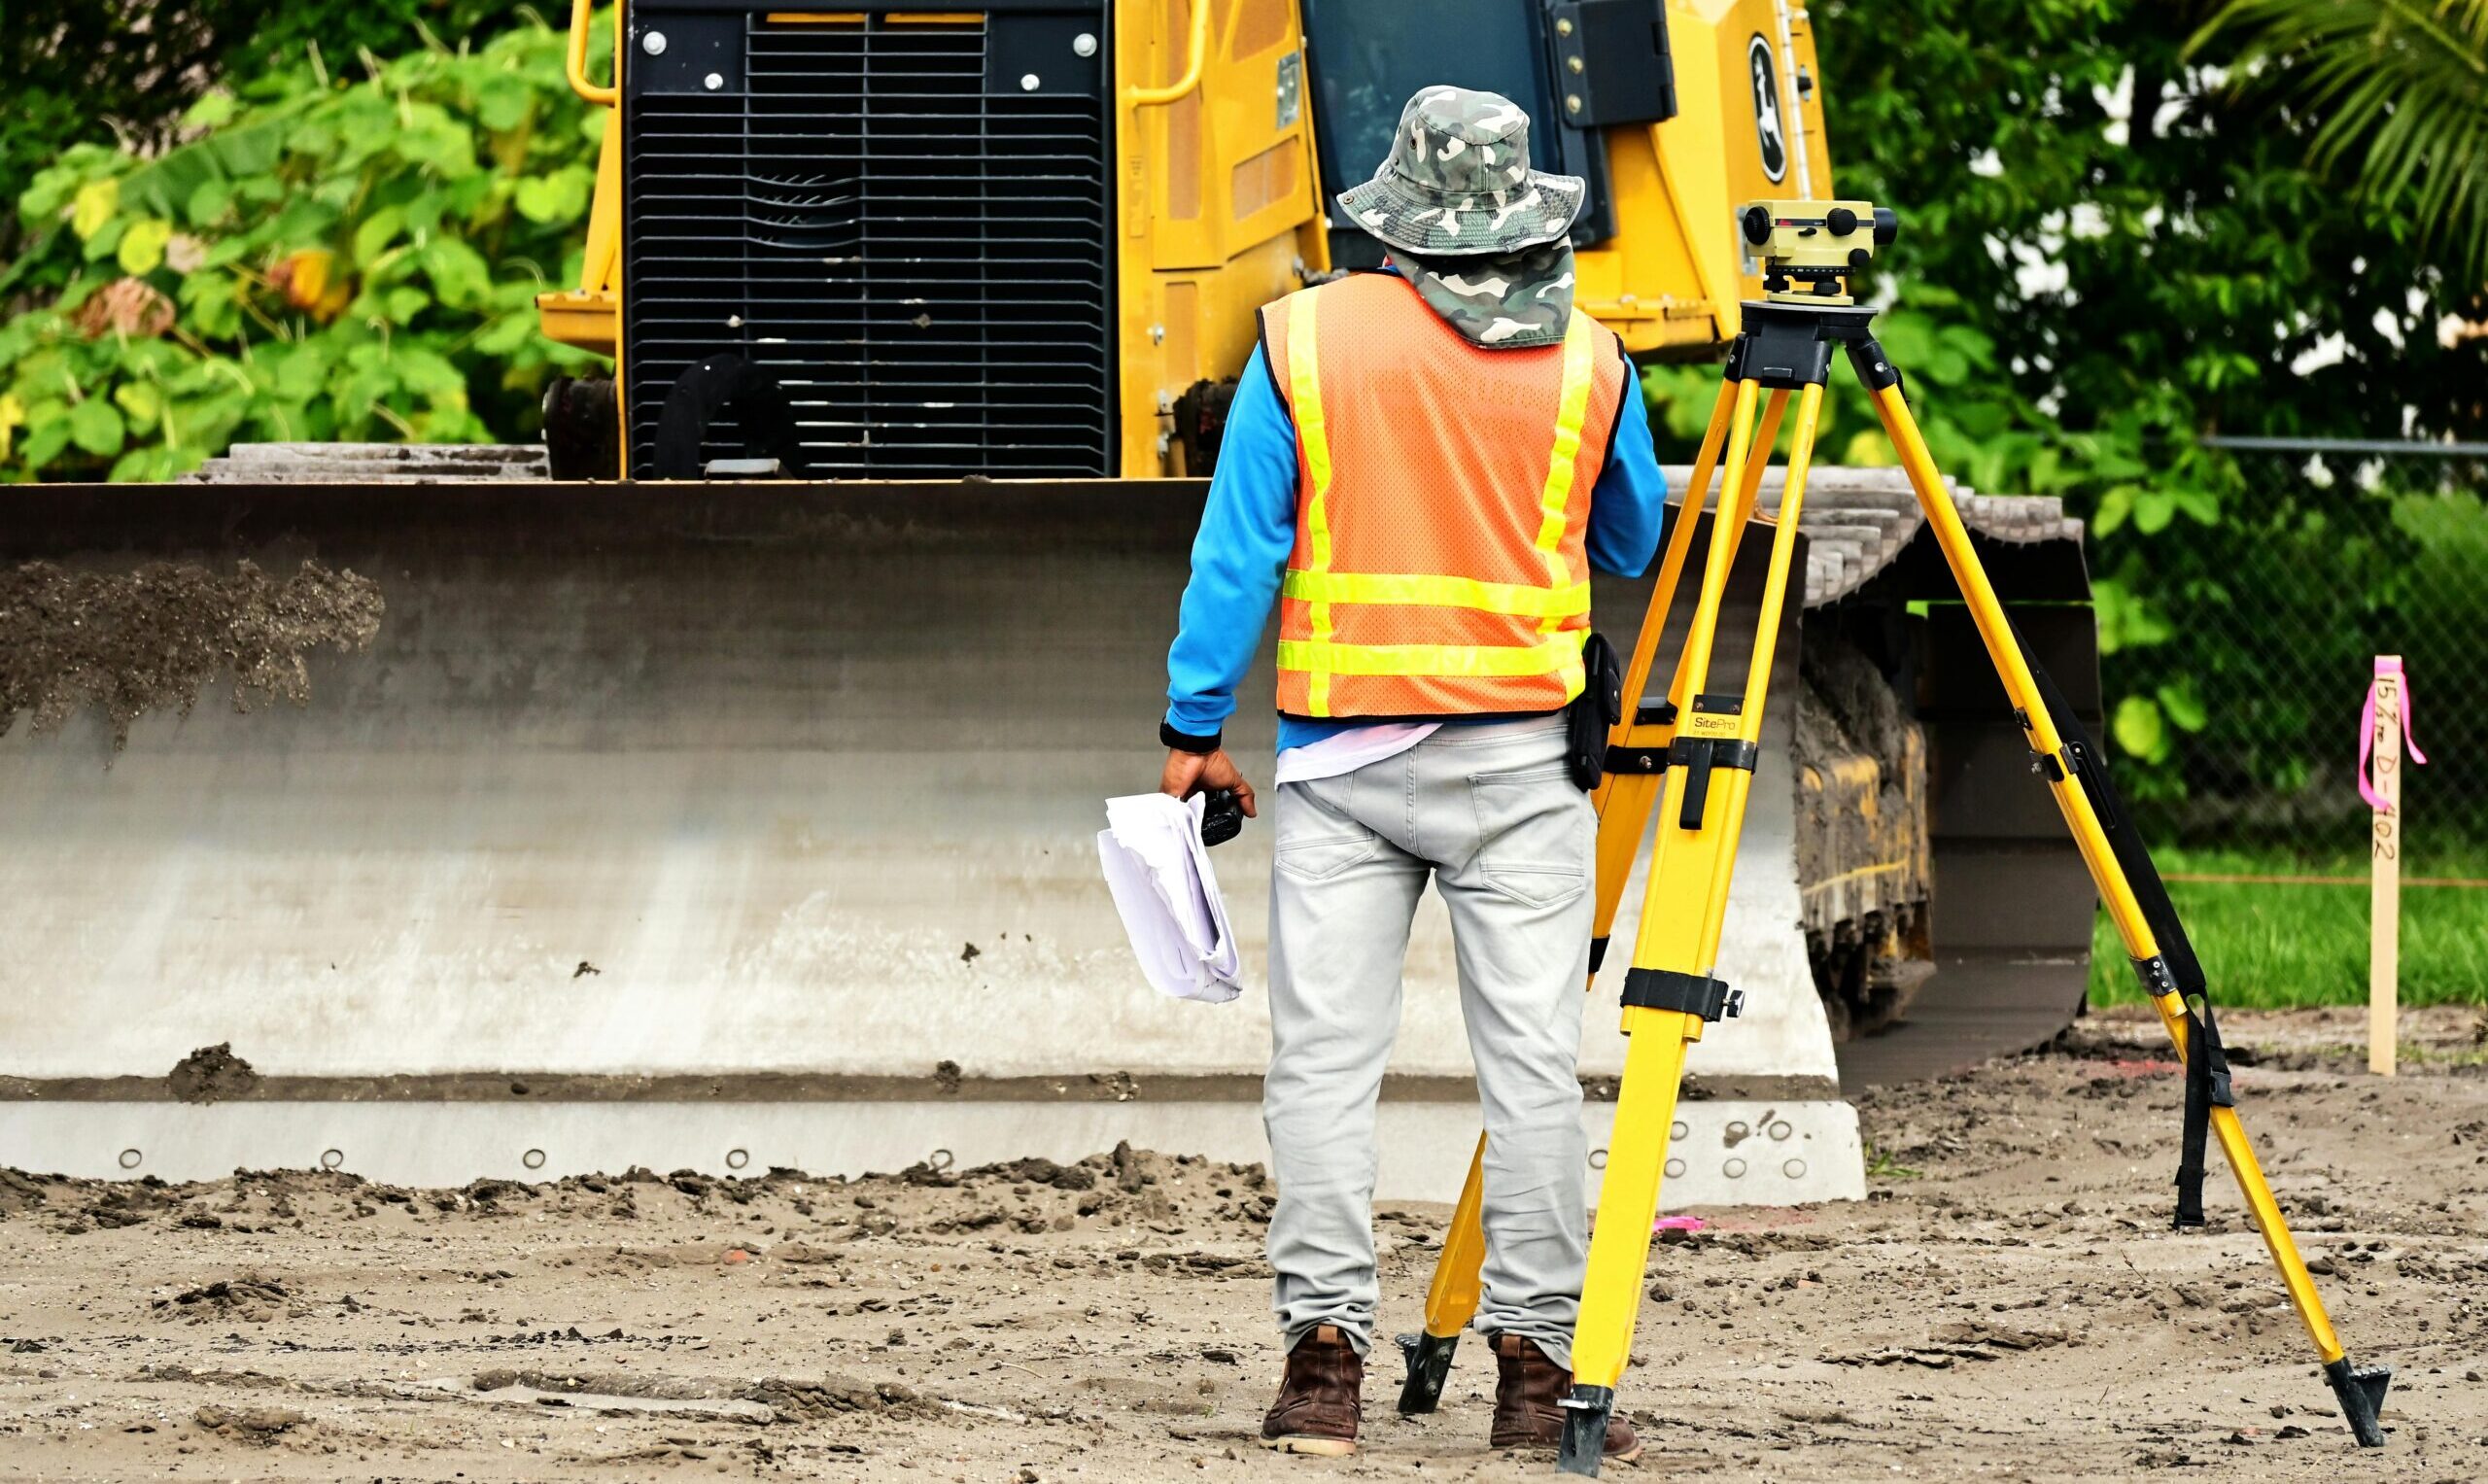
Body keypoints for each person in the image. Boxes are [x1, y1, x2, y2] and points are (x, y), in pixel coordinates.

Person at [1154, 86, 1668, 1462]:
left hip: (1341, 767)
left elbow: (1237, 553)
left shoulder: (1302, 341)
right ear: (1516, 212)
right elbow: (1627, 542)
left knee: (1321, 1066)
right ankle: (1539, 1380)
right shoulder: (1594, 359)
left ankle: (1323, 1368)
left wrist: (1193, 724)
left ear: (1396, 213)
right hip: (1521, 772)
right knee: (1532, 1073)